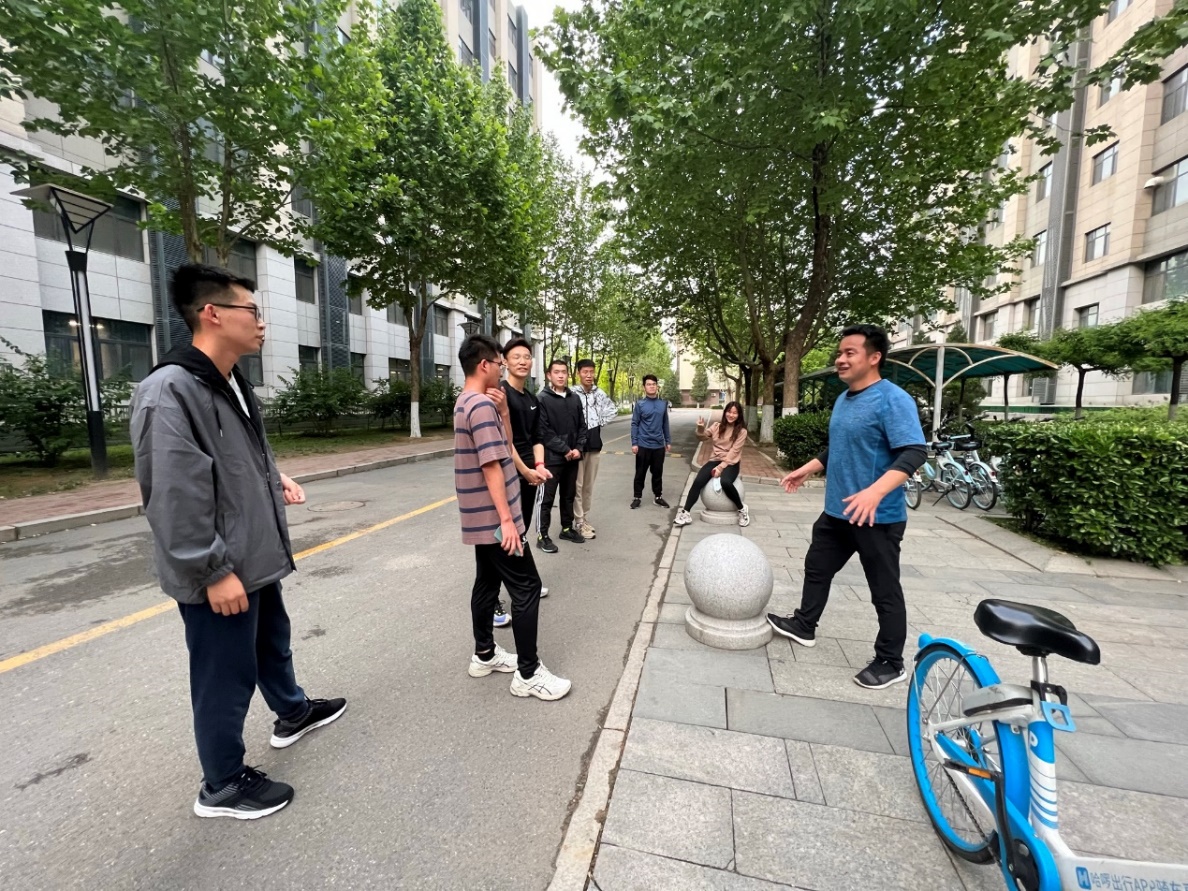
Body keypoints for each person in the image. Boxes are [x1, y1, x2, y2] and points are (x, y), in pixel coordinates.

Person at [130, 263, 346, 820]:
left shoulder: (229, 381)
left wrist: (275, 476)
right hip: (220, 567)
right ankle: (222, 783)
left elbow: (237, 455)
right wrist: (212, 571)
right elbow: (173, 494)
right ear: (212, 313)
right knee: (224, 674)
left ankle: (292, 712)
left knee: (272, 642)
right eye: (252, 310)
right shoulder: (170, 390)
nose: (261, 321)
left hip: (252, 553)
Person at [766, 324, 927, 690]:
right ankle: (805, 625)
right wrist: (807, 468)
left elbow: (914, 451)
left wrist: (874, 492)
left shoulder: (892, 399)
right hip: (838, 512)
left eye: (849, 353)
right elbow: (838, 446)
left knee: (884, 590)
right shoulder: (844, 399)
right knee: (817, 567)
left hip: (876, 517)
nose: (840, 359)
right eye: (839, 353)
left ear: (874, 358)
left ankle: (891, 661)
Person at [453, 334, 571, 701]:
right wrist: (507, 521)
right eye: (499, 363)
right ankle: (528, 673)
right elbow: (491, 464)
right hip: (496, 520)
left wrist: (504, 413)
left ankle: (484, 654)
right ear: (484, 365)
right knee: (527, 587)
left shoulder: (468, 401)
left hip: (480, 518)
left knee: (487, 582)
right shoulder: (479, 406)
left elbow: (503, 447)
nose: (503, 368)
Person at [493, 337, 552, 626]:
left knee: (522, 530)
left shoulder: (531, 399)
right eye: (516, 356)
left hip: (530, 475)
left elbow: (538, 437)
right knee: (502, 538)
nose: (522, 361)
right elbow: (504, 441)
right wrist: (525, 471)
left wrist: (538, 466)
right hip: (509, 475)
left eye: (527, 357)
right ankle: (495, 598)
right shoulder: (499, 394)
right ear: (504, 361)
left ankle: (524, 581)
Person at [536, 358, 588, 552]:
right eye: (556, 372)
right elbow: (543, 431)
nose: (560, 375)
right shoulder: (542, 399)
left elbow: (582, 426)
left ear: (568, 375)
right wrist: (565, 449)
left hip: (573, 458)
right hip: (552, 459)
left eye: (563, 372)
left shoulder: (574, 398)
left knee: (568, 496)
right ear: (549, 375)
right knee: (546, 499)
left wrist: (578, 448)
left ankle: (566, 528)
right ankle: (542, 535)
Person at [674, 401, 749, 527]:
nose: (731, 415)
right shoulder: (716, 426)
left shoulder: (742, 432)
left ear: (739, 415)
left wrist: (720, 468)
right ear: (725, 412)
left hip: (731, 463)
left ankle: (741, 509)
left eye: (735, 413)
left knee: (725, 482)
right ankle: (686, 513)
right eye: (729, 412)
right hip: (714, 460)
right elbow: (702, 437)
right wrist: (700, 427)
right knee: (698, 481)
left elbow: (734, 452)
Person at [571, 358, 617, 539]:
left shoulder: (599, 393)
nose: (589, 375)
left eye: (591, 372)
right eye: (585, 372)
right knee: (577, 486)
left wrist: (598, 422)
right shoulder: (572, 394)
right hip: (577, 446)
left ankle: (584, 517)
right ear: (578, 373)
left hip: (595, 444)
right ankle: (578, 521)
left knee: (588, 486)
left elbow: (612, 409)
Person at [630, 374, 671, 509]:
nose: (651, 386)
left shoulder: (662, 404)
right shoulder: (640, 405)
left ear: (657, 386)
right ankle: (637, 497)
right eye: (648, 384)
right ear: (644, 387)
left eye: (654, 384)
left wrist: (668, 441)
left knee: (657, 473)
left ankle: (658, 497)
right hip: (643, 445)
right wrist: (634, 443)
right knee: (640, 473)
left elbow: (665, 423)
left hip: (658, 445)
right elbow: (635, 424)